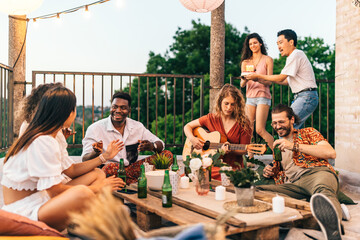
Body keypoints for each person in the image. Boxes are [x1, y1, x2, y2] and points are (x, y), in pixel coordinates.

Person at [1, 86, 125, 231]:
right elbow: (54, 192)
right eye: (73, 109)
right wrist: (99, 188)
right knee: (83, 193)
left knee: (97, 174)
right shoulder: (43, 140)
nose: (74, 113)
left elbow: (70, 170)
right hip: (24, 211)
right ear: (66, 112)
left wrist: (104, 158)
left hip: (39, 200)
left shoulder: (50, 134)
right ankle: (90, 224)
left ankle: (82, 224)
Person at [257, 104, 343, 239]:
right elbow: (280, 169)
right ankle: (328, 212)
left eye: (281, 122)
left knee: (323, 192)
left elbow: (330, 153)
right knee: (258, 191)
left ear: (292, 120)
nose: (277, 126)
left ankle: (333, 228)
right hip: (295, 185)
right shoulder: (278, 146)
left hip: (316, 173)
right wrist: (270, 170)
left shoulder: (308, 132)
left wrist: (294, 146)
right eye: (274, 123)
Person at [82, 91, 172, 184]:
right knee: (110, 167)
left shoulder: (137, 127)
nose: (118, 111)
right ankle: (137, 180)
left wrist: (152, 146)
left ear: (129, 110)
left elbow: (160, 144)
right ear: (111, 107)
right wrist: (95, 152)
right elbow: (85, 160)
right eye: (115, 107)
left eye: (123, 108)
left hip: (132, 169)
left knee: (167, 155)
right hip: (108, 171)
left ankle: (127, 181)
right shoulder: (95, 128)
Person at [245, 29, 318, 129]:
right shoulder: (293, 56)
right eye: (277, 44)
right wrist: (259, 80)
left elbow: (280, 77)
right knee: (292, 130)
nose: (279, 47)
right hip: (305, 97)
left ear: (291, 42)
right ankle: (297, 145)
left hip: (306, 97)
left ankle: (289, 144)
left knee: (284, 126)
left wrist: (258, 76)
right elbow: (286, 81)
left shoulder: (295, 55)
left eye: (281, 42)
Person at [184, 84, 252, 174]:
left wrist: (231, 149)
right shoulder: (211, 118)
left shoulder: (243, 123)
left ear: (237, 105)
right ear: (220, 101)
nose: (229, 108)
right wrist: (193, 139)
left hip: (232, 167)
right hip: (212, 165)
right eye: (226, 103)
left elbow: (244, 149)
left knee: (207, 174)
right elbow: (187, 126)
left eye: (233, 104)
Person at [240, 33, 274, 149]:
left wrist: (257, 78)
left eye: (255, 43)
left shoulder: (268, 60)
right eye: (250, 44)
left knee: (259, 129)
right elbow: (242, 84)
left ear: (260, 43)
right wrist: (245, 79)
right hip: (250, 97)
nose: (252, 45)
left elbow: (269, 81)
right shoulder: (245, 62)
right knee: (248, 128)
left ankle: (278, 155)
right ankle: (249, 157)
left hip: (263, 96)